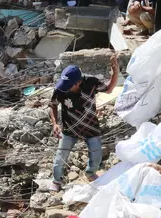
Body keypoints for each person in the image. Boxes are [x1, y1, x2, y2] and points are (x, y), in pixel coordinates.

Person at [49, 57, 119, 192]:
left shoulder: (91, 83)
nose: (65, 88)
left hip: (90, 127)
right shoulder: (60, 89)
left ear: (79, 82)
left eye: (69, 85)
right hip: (69, 129)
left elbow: (109, 89)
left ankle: (90, 172)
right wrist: (55, 124)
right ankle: (57, 180)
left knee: (97, 155)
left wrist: (115, 71)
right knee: (60, 158)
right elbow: (52, 105)